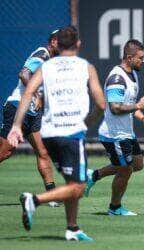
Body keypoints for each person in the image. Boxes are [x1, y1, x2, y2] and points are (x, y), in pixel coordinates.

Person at [7, 26, 105, 241]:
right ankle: (34, 200)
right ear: (78, 44)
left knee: (72, 182)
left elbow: (29, 93)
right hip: (71, 132)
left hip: (50, 133)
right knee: (79, 186)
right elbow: (101, 104)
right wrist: (88, 121)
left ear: (57, 45)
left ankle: (73, 228)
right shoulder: (86, 67)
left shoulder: (47, 67)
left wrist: (16, 126)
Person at [84, 39, 144, 216]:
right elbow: (115, 108)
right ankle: (115, 208)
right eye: (141, 58)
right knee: (125, 169)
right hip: (114, 134)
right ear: (129, 57)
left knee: (137, 164)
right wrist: (139, 106)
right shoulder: (116, 79)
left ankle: (93, 176)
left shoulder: (133, 74)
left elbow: (130, 105)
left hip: (126, 132)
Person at [0, 30, 59, 205]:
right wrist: (36, 96)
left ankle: (52, 196)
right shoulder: (42, 53)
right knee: (4, 152)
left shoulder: (53, 62)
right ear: (54, 42)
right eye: (62, 42)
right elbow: (24, 74)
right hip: (18, 107)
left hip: (33, 113)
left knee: (43, 152)